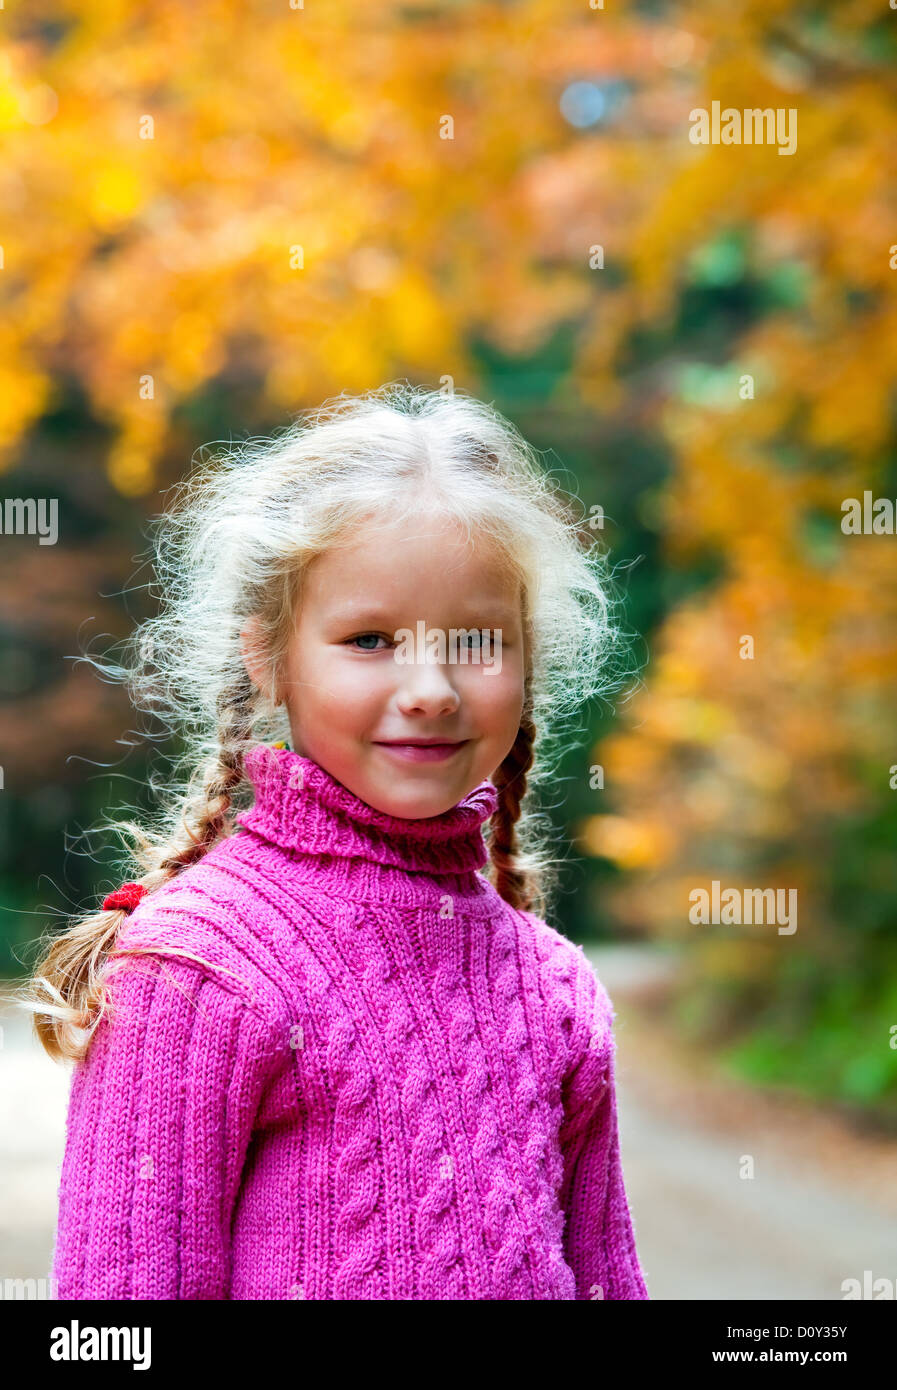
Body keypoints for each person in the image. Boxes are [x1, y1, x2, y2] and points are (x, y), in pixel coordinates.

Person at [18, 382, 649, 1300]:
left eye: (477, 638)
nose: (431, 686)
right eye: (369, 638)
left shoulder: (553, 990)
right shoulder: (200, 970)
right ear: (267, 658)